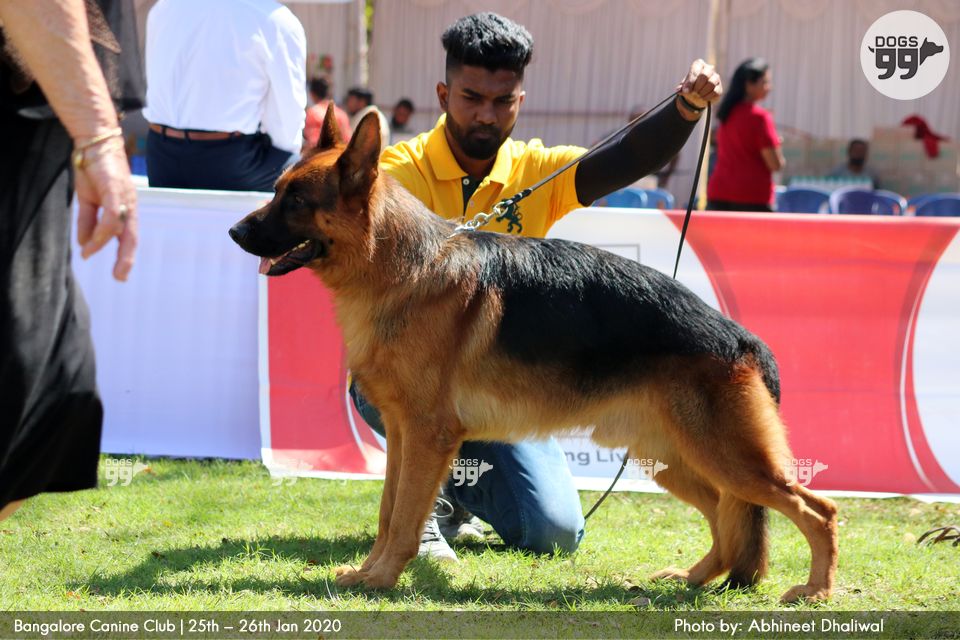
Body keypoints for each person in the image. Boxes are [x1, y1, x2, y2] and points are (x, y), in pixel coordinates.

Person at [347, 12, 721, 562]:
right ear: (443, 93)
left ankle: (460, 491)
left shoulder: (537, 170)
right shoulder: (397, 174)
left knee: (554, 534)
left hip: (504, 392)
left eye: (503, 100)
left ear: (521, 99)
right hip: (414, 375)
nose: (486, 113)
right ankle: (425, 513)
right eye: (471, 96)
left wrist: (685, 107)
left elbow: (624, 160)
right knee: (392, 390)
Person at [0, 0, 141, 520]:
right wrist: (100, 140)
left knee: (57, 392)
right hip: (23, 117)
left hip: (40, 120)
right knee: (31, 382)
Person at [143, 0, 306, 191]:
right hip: (230, 162)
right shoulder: (277, 20)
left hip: (160, 157)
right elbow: (287, 119)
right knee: (297, 171)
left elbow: (152, 79)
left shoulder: (163, 7)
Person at [706, 58, 782, 212]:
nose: (770, 87)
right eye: (765, 82)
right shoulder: (760, 117)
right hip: (752, 198)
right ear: (749, 84)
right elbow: (775, 164)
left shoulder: (726, 114)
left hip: (719, 194)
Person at [303, 76, 351, 150]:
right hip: (341, 156)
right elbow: (347, 139)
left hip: (322, 158)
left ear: (312, 94)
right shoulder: (342, 114)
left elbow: (313, 143)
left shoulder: (312, 113)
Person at [344, 87, 390, 152]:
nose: (348, 103)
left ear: (361, 102)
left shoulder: (367, 117)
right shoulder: (371, 114)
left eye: (350, 100)